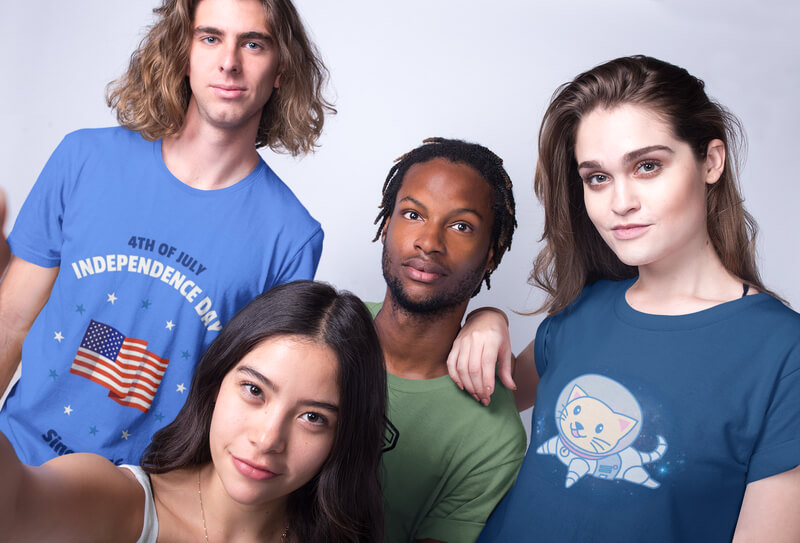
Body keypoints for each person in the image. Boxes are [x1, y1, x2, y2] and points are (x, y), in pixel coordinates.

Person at [448, 56, 800, 542]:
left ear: (711, 162)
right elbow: (471, 403)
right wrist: (485, 319)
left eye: (647, 166)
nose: (620, 202)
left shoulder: (783, 352)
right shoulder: (579, 314)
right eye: (597, 177)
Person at [0, 0, 334, 466]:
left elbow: (252, 401)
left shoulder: (291, 237)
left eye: (253, 44)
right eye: (210, 37)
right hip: (15, 456)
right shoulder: (83, 159)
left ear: (281, 70)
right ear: (183, 50)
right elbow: (11, 320)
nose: (229, 62)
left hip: (142, 500)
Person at [1, 280, 387, 543]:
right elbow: (16, 506)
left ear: (344, 437)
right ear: (216, 383)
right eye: (254, 390)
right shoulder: (122, 501)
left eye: (313, 418)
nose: (268, 439)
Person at [369, 138, 527, 543]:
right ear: (387, 225)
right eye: (412, 214)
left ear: (491, 253)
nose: (429, 242)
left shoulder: (492, 436)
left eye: (461, 226)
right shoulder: (319, 330)